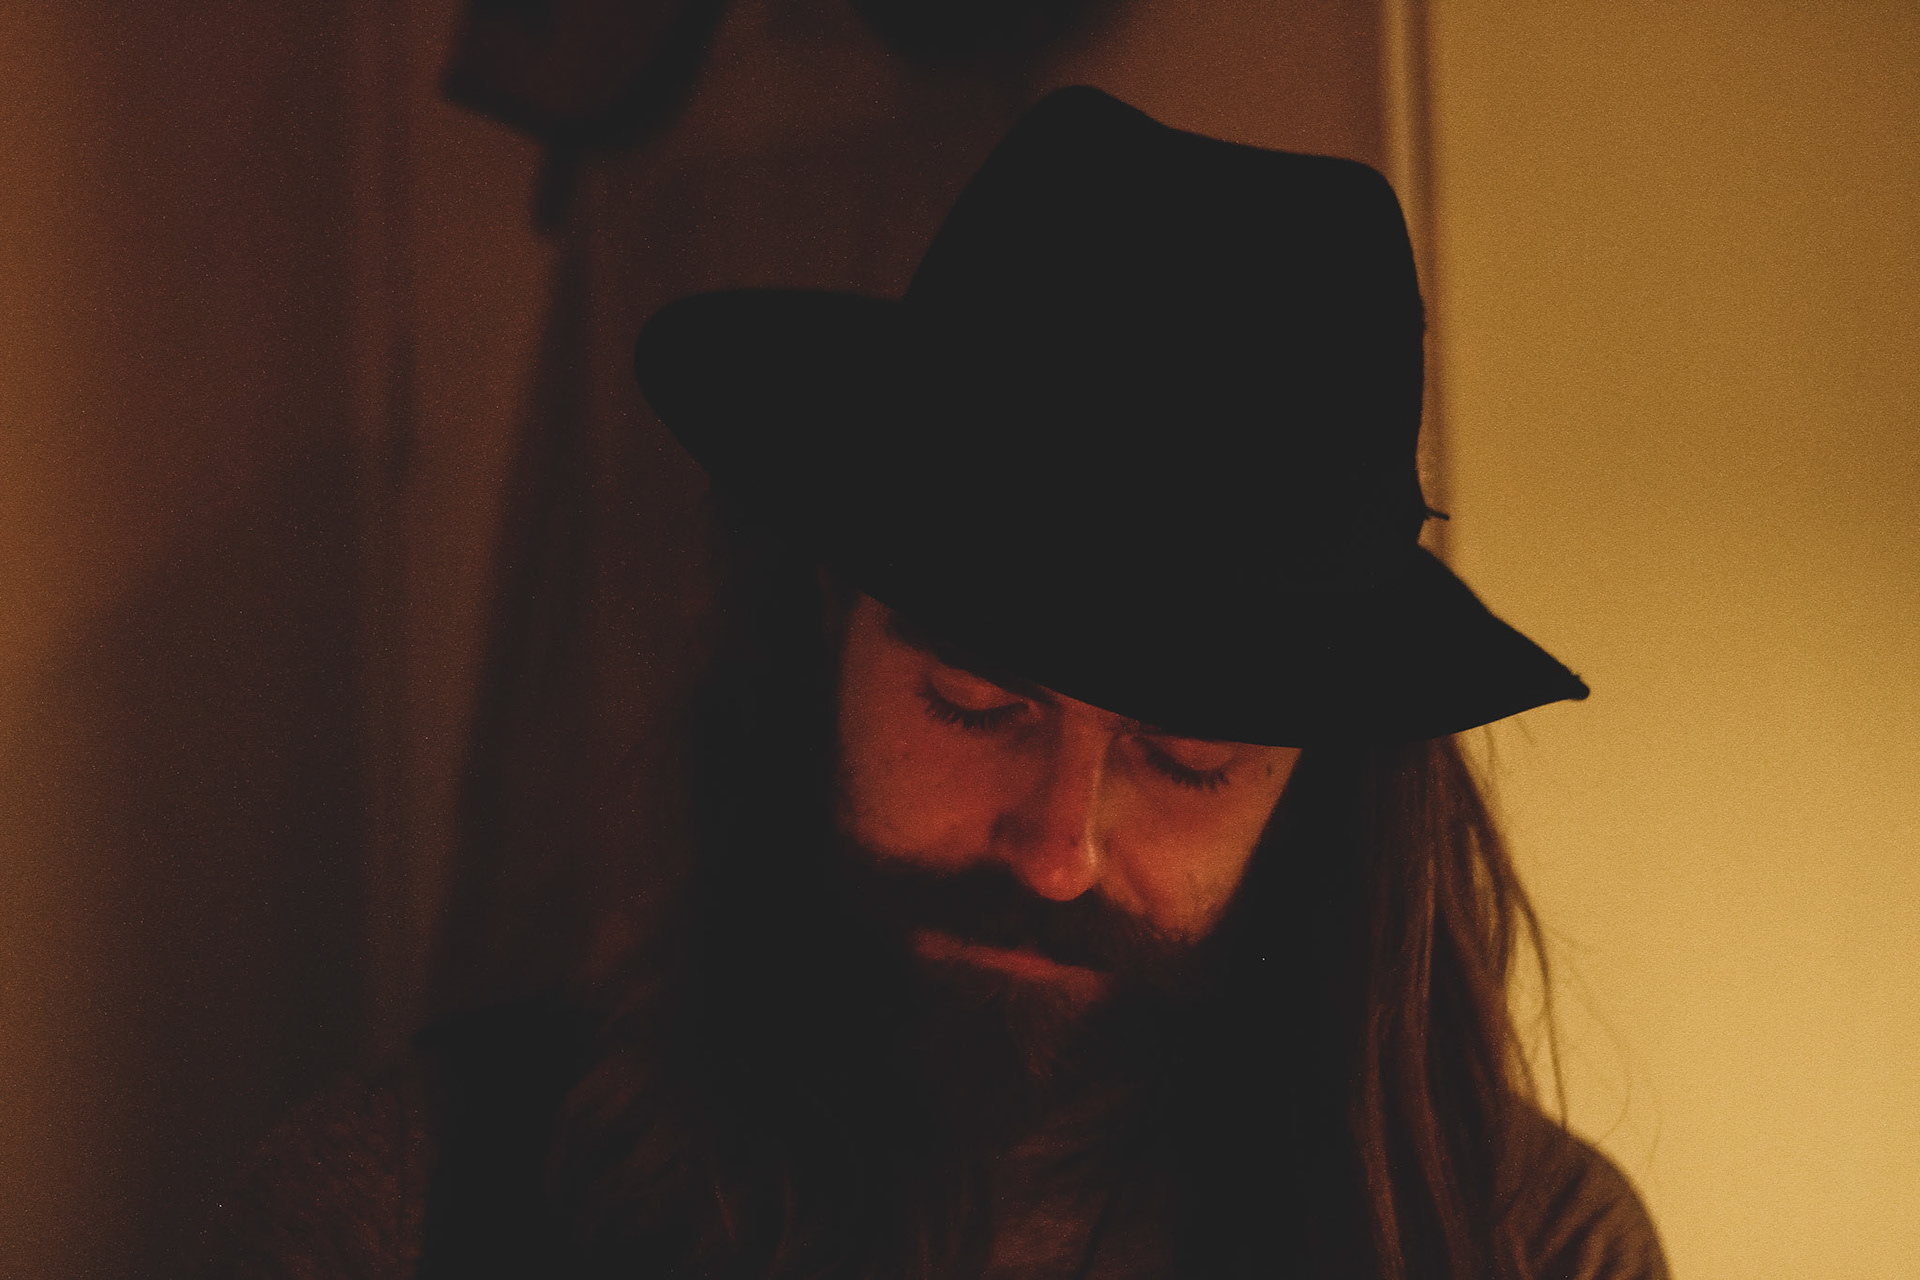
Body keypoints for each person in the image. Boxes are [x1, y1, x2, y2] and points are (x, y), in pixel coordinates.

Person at [208, 87, 1668, 1280]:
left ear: (1319, 788)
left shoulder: (1534, 1249)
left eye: (1190, 758)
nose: (1055, 852)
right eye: (974, 703)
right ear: (822, 642)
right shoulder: (406, 1209)